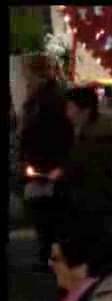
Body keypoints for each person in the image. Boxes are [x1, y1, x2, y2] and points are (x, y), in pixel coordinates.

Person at [18, 54, 74, 266]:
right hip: (42, 163)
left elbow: (52, 133)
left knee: (48, 213)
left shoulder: (48, 99)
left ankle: (53, 257)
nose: (26, 78)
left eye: (28, 73)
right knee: (45, 211)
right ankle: (50, 255)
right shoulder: (41, 97)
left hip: (47, 164)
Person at [61, 87, 112, 234]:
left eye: (70, 108)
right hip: (91, 209)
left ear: (85, 110)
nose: (67, 113)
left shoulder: (99, 140)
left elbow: (85, 173)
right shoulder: (80, 132)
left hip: (96, 211)